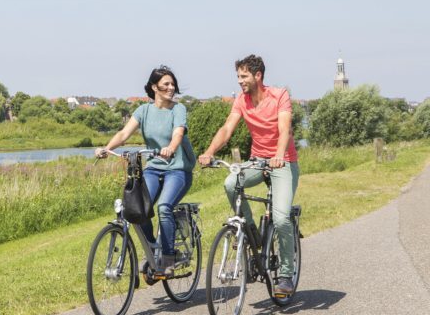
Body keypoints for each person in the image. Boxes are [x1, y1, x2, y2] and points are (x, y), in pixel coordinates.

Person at [198, 54, 299, 295]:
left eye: (244, 76)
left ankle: (285, 274)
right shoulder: (242, 101)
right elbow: (227, 128)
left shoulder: (279, 95)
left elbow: (284, 128)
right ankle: (250, 233)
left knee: (282, 217)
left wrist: (278, 154)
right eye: (238, 77)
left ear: (258, 76)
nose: (240, 81)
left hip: (283, 161)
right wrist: (210, 151)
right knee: (231, 183)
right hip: (257, 161)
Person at [95, 66, 196, 276]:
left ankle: (167, 257)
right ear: (154, 87)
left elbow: (178, 134)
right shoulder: (143, 111)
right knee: (136, 208)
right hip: (154, 168)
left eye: (172, 84)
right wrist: (107, 148)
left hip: (177, 169)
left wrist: (171, 148)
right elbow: (124, 134)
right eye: (166, 84)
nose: (171, 87)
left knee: (164, 208)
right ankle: (152, 250)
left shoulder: (178, 110)